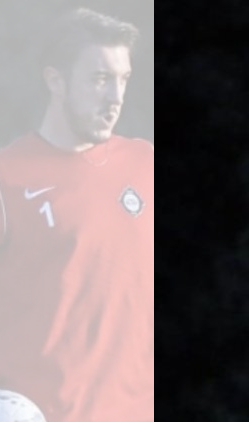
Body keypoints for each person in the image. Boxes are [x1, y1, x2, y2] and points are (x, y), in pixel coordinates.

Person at [0, 8, 154, 422]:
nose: (115, 96)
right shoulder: (8, 177)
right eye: (100, 79)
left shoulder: (146, 164)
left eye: (123, 79)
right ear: (56, 81)